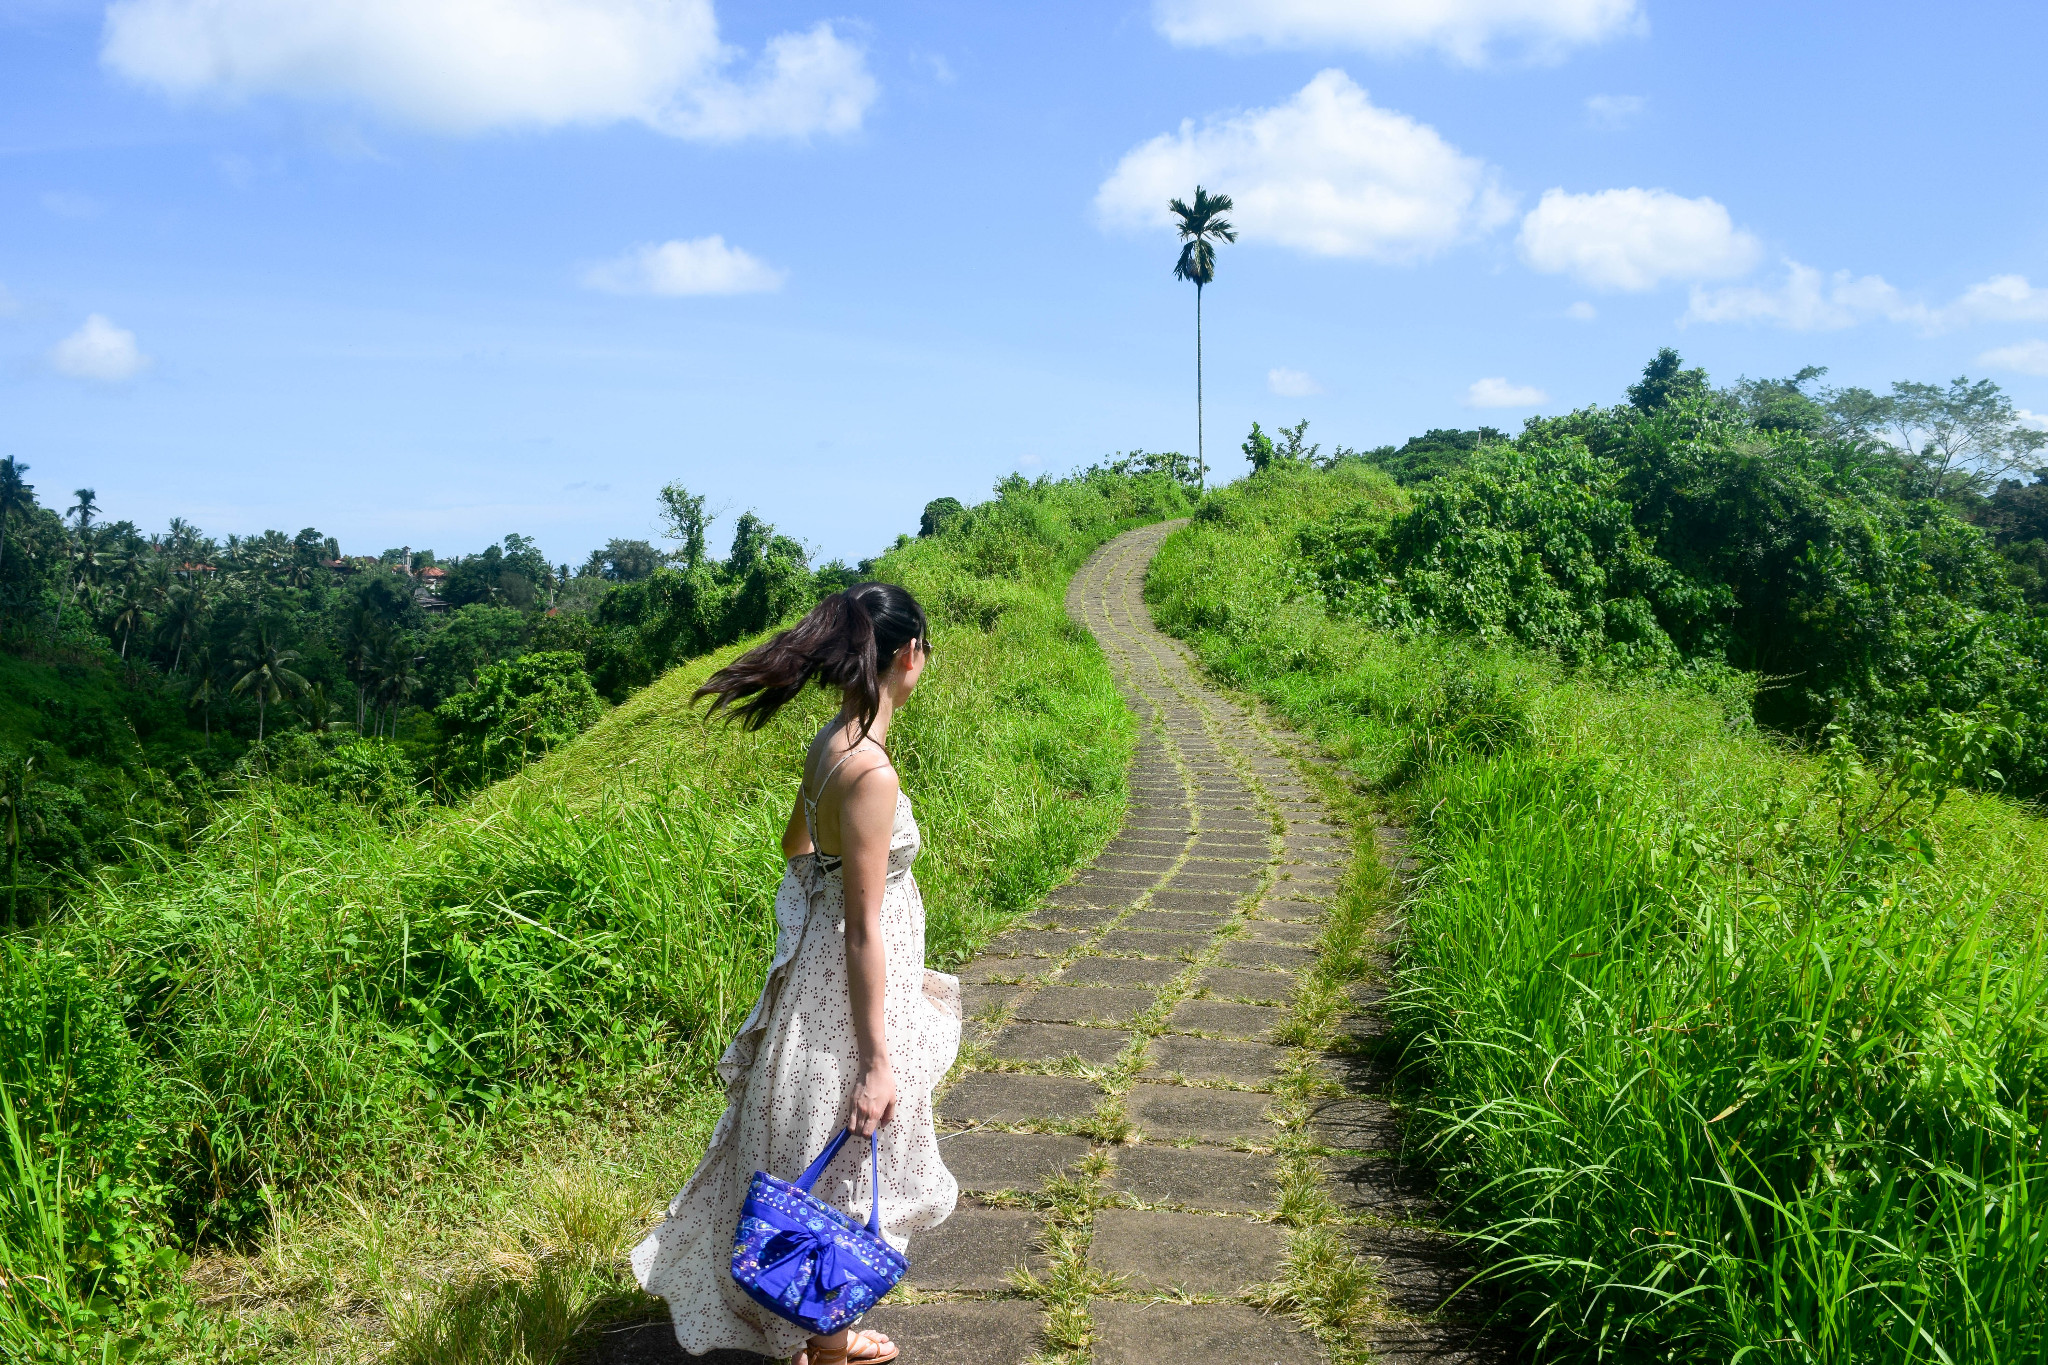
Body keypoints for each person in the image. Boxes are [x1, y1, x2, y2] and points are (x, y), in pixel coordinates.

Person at [631, 583, 961, 1365]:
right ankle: (830, 1347)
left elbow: (796, 846)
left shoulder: (831, 742)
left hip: (812, 976)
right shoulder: (871, 769)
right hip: (845, 992)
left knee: (820, 1147)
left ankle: (827, 1333)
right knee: (850, 1145)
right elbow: (864, 927)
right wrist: (880, 1059)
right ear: (908, 654)